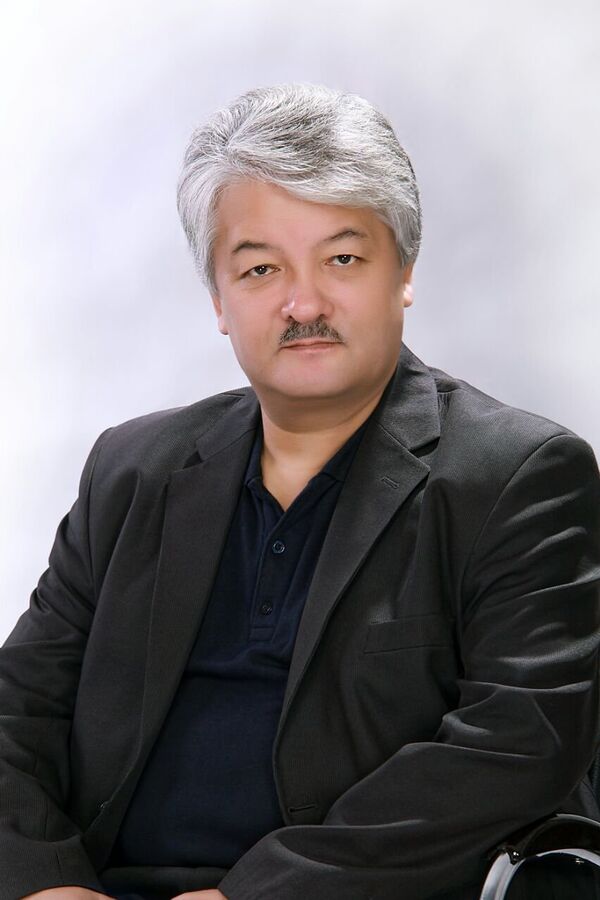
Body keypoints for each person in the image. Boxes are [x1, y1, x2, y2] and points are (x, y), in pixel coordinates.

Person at [1, 82, 599, 900]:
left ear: (404, 273)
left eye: (342, 258)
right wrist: (45, 884)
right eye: (260, 269)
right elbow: (16, 712)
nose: (304, 303)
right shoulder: (132, 471)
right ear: (219, 299)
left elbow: (521, 742)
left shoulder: (519, 476)